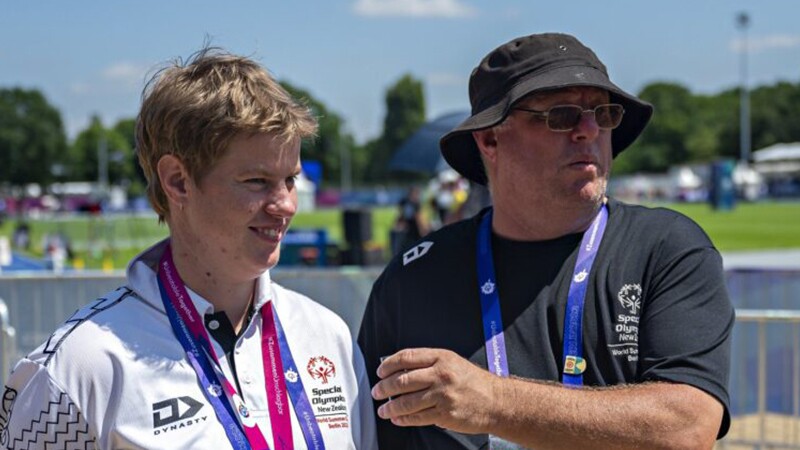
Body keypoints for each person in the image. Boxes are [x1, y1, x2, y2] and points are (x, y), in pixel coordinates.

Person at [358, 32, 733, 449]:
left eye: (602, 113)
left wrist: (494, 402)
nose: (588, 130)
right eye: (562, 115)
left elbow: (688, 427)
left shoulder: (665, 249)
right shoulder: (414, 278)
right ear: (490, 139)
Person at [2, 48, 377, 450]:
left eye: (290, 179)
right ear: (178, 181)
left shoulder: (327, 336)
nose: (285, 204)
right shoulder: (78, 366)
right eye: (256, 181)